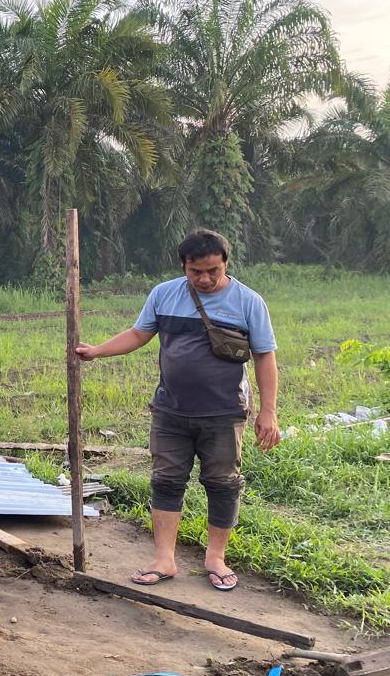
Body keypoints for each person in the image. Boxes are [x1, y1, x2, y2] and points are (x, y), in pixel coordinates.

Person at [75, 229, 281, 592]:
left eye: (212, 271)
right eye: (195, 271)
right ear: (184, 267)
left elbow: (265, 357)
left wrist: (269, 412)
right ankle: (164, 559)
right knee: (166, 481)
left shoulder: (249, 302)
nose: (204, 279)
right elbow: (139, 334)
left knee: (222, 484)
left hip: (224, 413)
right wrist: (97, 351)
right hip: (170, 410)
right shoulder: (163, 294)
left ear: (225, 265)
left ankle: (215, 558)